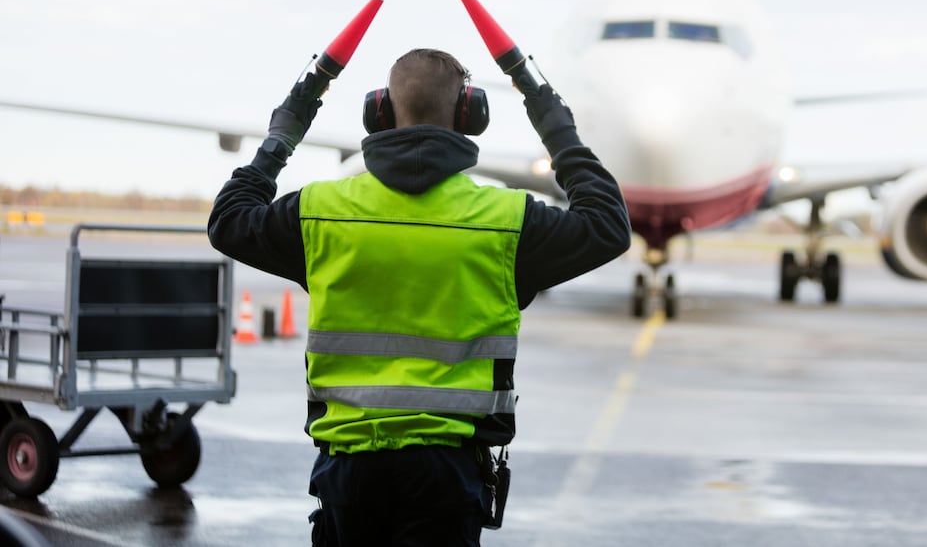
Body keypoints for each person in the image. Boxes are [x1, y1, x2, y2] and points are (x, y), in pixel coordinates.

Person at [208, 47, 631, 545]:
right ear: (470, 113)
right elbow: (608, 225)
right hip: (448, 477)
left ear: (379, 113)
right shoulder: (507, 220)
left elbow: (228, 221)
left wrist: (286, 131)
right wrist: (555, 126)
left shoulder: (320, 212)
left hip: (349, 475)